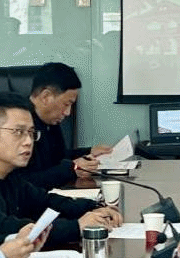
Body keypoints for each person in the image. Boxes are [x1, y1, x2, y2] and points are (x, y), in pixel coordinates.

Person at [0, 92, 121, 243]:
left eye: (31, 133)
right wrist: (77, 226)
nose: (28, 141)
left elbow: (45, 201)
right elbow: (5, 228)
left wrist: (95, 207)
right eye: (18, 132)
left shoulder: (8, 173)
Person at [13, 61, 112, 190]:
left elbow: (58, 157)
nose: (68, 112)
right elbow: (21, 183)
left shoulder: (49, 120)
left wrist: (89, 152)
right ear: (46, 97)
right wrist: (72, 169)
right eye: (66, 104)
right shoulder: (18, 125)